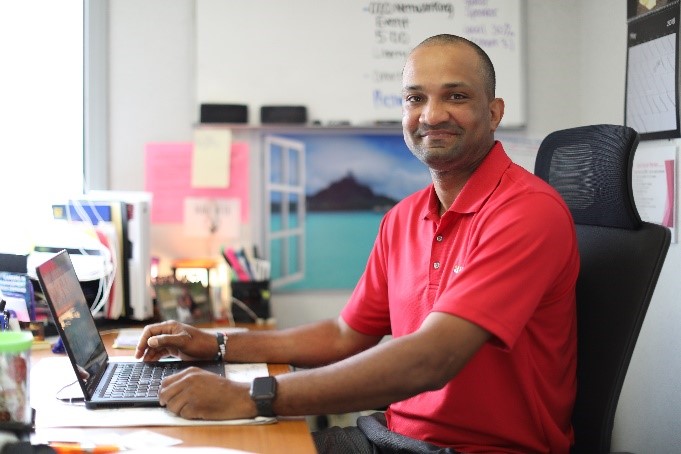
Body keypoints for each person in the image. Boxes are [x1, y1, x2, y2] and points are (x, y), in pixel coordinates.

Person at [135, 34, 579, 453]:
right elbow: (346, 335)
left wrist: (254, 395)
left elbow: (433, 358)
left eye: (456, 96)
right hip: (392, 436)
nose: (431, 115)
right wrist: (216, 343)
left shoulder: (526, 211)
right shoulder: (402, 218)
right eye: (415, 98)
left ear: (495, 112)